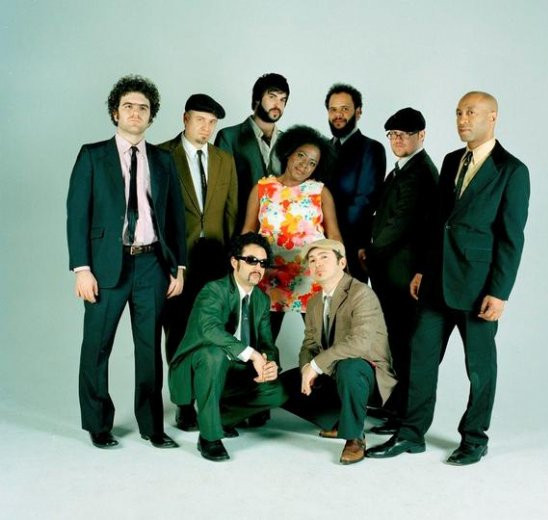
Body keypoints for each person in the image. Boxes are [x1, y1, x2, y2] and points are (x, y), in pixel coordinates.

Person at [366, 91, 530, 465]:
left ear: (493, 117)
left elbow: (511, 238)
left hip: (479, 289)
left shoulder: (512, 171)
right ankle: (411, 434)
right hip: (436, 283)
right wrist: (423, 269)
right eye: (458, 113)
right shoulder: (452, 160)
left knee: (480, 369)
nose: (462, 120)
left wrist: (499, 292)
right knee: (420, 359)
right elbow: (437, 222)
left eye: (470, 113)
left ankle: (474, 438)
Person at [66, 75, 186, 449]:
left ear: (151, 116)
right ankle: (98, 424)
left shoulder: (163, 160)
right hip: (106, 265)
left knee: (149, 350)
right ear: (115, 113)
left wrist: (179, 267)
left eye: (143, 108)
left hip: (152, 266)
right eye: (128, 106)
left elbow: (175, 217)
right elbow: (77, 216)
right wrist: (82, 269)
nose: (136, 113)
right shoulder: (92, 156)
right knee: (97, 346)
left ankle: (152, 425)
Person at [168, 233, 287, 462]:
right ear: (234, 262)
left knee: (278, 391)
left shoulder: (261, 299)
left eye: (262, 263)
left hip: (235, 373)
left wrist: (270, 364)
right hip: (200, 368)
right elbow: (209, 330)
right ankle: (209, 437)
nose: (258, 268)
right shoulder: (214, 290)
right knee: (214, 354)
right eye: (251, 260)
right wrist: (252, 354)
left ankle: (216, 416)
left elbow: (267, 343)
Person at [159, 93, 237, 432]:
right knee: (178, 331)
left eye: (212, 123)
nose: (206, 128)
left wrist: (233, 260)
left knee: (215, 329)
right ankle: (183, 404)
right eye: (200, 120)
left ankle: (210, 397)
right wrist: (164, 262)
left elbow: (231, 211)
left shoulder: (224, 159)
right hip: (177, 260)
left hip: (216, 259)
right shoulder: (162, 155)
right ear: (185, 119)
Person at [282, 239, 397, 464]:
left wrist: (316, 365)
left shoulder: (361, 293)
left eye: (324, 258)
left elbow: (359, 344)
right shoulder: (314, 302)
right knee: (284, 384)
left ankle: (354, 437)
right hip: (334, 373)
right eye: (312, 260)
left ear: (342, 263)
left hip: (367, 375)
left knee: (350, 366)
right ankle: (340, 420)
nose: (317, 264)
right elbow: (309, 345)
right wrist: (306, 368)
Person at [360, 108, 439, 433]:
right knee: (394, 341)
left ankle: (404, 414)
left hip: (403, 276)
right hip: (390, 271)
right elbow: (381, 214)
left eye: (404, 135)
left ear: (421, 136)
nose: (397, 140)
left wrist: (371, 251)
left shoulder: (421, 172)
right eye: (393, 135)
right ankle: (394, 406)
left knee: (405, 345)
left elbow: (399, 224)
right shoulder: (401, 170)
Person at [242, 125, 342, 340]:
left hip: (311, 275)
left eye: (312, 163)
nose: (305, 165)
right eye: (301, 155)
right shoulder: (262, 188)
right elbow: (248, 231)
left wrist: (340, 271)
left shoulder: (320, 191)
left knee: (322, 342)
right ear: (288, 153)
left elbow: (334, 236)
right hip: (269, 276)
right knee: (263, 342)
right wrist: (243, 267)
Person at [322, 83, 386, 282]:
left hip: (352, 246)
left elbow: (364, 201)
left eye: (345, 109)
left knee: (349, 299)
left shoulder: (371, 149)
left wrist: (335, 239)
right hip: (318, 244)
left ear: (358, 112)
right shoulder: (321, 149)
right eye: (333, 109)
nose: (338, 115)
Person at [215, 73, 290, 231]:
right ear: (257, 99)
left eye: (283, 100)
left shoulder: (289, 142)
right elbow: (221, 192)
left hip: (280, 230)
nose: (277, 104)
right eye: (272, 97)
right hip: (240, 228)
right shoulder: (229, 137)